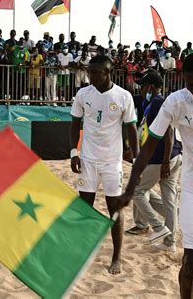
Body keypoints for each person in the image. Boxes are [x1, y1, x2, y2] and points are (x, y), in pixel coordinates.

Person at [117, 52, 193, 298]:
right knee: (190, 261)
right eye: (189, 84)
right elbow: (150, 145)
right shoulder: (177, 102)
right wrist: (130, 189)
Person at [69, 55, 139, 275]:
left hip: (112, 162)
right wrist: (74, 152)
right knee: (84, 208)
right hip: (87, 160)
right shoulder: (83, 94)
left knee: (114, 210)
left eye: (95, 73)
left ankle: (116, 257)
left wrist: (135, 159)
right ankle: (81, 253)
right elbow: (74, 124)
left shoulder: (123, 96)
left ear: (108, 73)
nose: (90, 76)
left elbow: (131, 129)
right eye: (89, 72)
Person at [128, 71, 183, 251]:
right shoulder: (154, 102)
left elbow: (168, 133)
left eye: (142, 86)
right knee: (168, 200)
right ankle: (170, 243)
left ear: (150, 87)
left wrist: (165, 162)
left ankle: (159, 228)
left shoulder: (158, 103)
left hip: (162, 159)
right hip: (173, 157)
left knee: (136, 190)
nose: (140, 89)